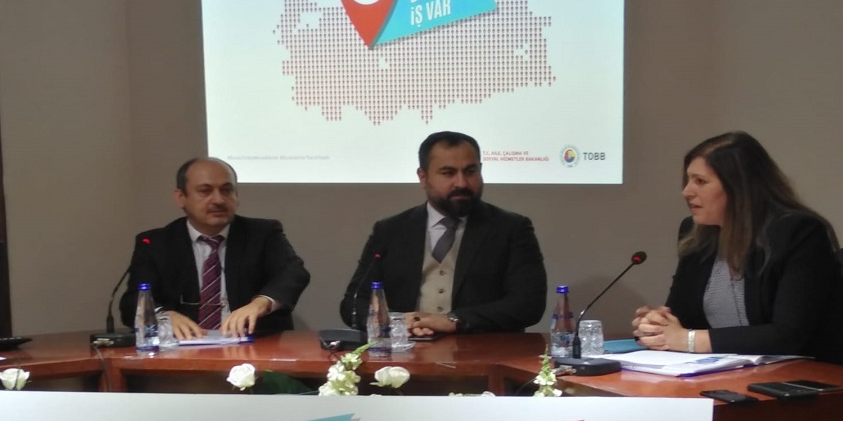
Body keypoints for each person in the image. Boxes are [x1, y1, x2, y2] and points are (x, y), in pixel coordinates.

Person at [633, 131, 843, 365]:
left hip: (811, 374)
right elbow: (682, 318)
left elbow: (788, 335)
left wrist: (687, 340)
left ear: (739, 187)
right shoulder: (696, 232)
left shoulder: (798, 232)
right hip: (730, 370)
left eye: (700, 181)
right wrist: (657, 326)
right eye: (688, 180)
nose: (686, 191)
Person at [340, 131, 547, 336]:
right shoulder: (390, 231)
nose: (462, 183)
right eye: (448, 173)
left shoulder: (511, 228)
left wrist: (455, 321)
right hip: (406, 348)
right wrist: (397, 323)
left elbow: (528, 304)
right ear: (423, 177)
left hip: (482, 348)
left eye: (470, 171)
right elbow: (353, 304)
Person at [120, 158, 310, 339]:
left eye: (227, 190)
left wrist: (261, 303)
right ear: (181, 197)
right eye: (205, 191)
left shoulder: (262, 233)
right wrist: (163, 315)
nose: (218, 200)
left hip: (255, 345)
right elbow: (132, 302)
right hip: (183, 348)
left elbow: (293, 273)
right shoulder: (156, 243)